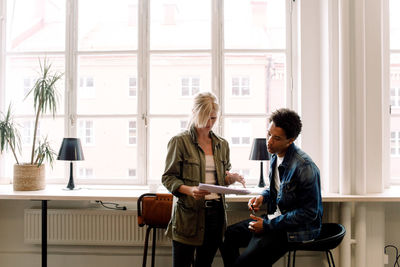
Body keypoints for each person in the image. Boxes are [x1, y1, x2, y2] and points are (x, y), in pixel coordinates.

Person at [220, 108, 323, 267]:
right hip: (274, 221)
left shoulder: (304, 167)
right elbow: (278, 188)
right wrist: (262, 197)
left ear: (291, 140)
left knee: (244, 263)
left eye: (276, 138)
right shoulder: (276, 155)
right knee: (228, 236)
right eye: (269, 134)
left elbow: (309, 213)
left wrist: (267, 225)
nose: (269, 141)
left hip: (293, 231)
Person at [162, 92, 246, 267]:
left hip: (216, 215)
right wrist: (190, 190)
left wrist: (231, 179)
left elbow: (220, 179)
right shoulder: (179, 142)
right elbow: (168, 178)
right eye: (205, 118)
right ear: (194, 113)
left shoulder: (222, 145)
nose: (209, 124)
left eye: (213, 118)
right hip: (188, 216)